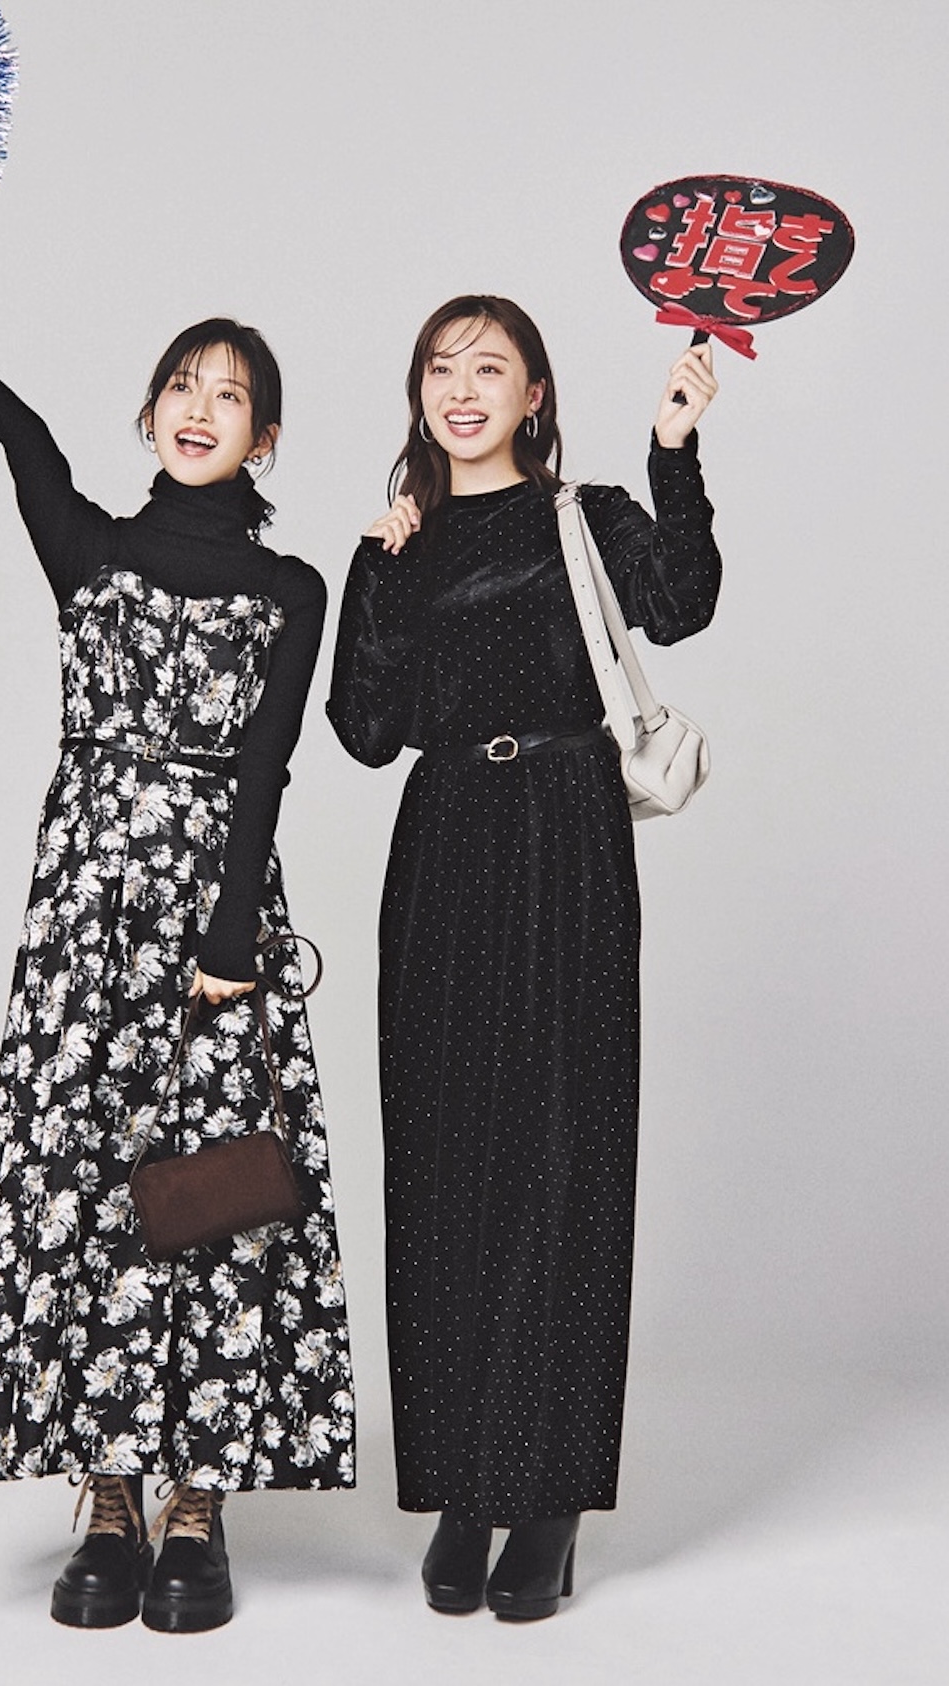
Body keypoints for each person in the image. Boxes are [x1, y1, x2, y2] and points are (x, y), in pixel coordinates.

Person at [0, 261, 354, 1635]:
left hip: (216, 919)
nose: (201, 409)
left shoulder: (292, 587)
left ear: (266, 437)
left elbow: (266, 769)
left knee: (209, 1189)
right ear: (149, 414)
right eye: (182, 388)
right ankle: (106, 1494)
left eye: (232, 397)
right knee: (87, 1185)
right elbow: (27, 447)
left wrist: (231, 937)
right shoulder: (91, 552)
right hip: (86, 914)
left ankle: (198, 1500)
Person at [327, 295, 720, 1621]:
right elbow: (364, 731)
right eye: (440, 367)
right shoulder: (404, 544)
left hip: (565, 833)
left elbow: (683, 602)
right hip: (444, 841)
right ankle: (460, 1486)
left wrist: (675, 447)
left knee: (564, 1153)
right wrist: (379, 575)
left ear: (535, 394)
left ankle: (547, 1496)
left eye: (489, 366)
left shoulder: (585, 515)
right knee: (444, 1159)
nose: (461, 387)